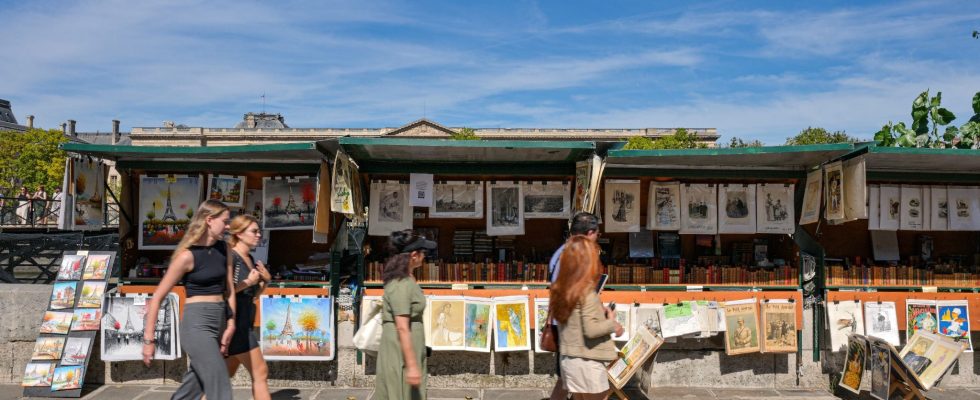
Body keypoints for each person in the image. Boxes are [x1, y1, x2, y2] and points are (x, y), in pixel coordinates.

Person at [142, 200, 236, 400]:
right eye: (225, 221)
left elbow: (229, 290)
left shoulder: (224, 249)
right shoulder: (187, 256)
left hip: (218, 320)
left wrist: (230, 323)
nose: (228, 226)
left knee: (195, 384)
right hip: (196, 325)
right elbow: (158, 297)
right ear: (209, 220)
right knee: (220, 383)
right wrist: (149, 340)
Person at [550, 236, 623, 400]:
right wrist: (612, 323)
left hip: (570, 362)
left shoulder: (563, 290)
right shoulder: (586, 293)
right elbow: (591, 330)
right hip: (588, 365)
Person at [375, 229, 436, 400]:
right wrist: (411, 365)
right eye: (423, 253)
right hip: (400, 355)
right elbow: (402, 327)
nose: (425, 257)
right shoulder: (401, 284)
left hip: (408, 352)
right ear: (414, 255)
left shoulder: (407, 279)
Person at [548, 212, 600, 400]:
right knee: (576, 378)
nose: (596, 239)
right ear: (590, 232)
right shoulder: (575, 255)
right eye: (597, 235)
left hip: (564, 321)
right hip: (572, 324)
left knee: (569, 378)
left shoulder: (562, 251)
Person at [224, 215, 272, 400]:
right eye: (254, 231)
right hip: (235, 325)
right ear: (239, 233)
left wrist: (265, 282)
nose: (258, 235)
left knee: (221, 377)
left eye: (259, 231)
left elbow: (252, 296)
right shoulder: (232, 258)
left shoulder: (249, 258)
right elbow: (225, 291)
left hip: (245, 322)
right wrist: (247, 282)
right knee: (260, 373)